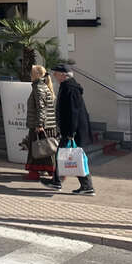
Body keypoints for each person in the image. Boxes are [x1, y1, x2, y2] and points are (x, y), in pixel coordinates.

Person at [43, 64, 95, 195]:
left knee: (75, 157)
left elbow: (73, 112)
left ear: (63, 75)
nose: (54, 75)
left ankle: (87, 186)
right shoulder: (67, 86)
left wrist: (71, 132)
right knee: (64, 155)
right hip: (70, 129)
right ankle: (56, 181)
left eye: (56, 73)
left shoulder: (70, 88)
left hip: (73, 131)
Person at [24, 64, 58, 180]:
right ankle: (50, 172)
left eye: (31, 73)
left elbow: (41, 108)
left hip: (41, 125)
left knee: (37, 149)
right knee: (46, 150)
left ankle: (35, 173)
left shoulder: (38, 87)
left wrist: (39, 124)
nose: (30, 75)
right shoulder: (43, 86)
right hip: (48, 125)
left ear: (36, 75)